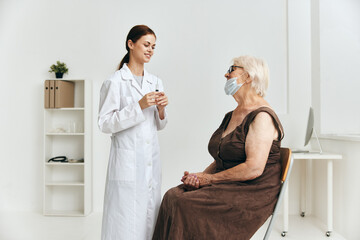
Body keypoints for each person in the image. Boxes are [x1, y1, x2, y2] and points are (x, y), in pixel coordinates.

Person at [152, 55, 284, 240]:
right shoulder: (232, 115)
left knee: (185, 203)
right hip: (228, 183)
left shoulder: (262, 116)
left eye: (232, 69)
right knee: (172, 195)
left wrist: (210, 179)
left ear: (248, 76)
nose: (226, 74)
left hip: (252, 191)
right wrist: (199, 177)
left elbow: (253, 168)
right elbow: (221, 160)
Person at [98, 25, 168, 240]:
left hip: (149, 161)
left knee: (149, 218)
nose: (150, 50)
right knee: (124, 222)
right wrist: (138, 106)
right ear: (131, 44)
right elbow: (105, 123)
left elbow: (159, 125)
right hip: (126, 163)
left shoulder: (155, 81)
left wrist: (161, 109)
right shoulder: (115, 82)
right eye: (146, 45)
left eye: (154, 47)